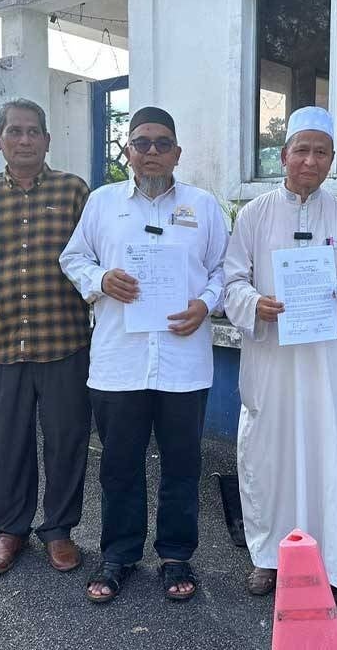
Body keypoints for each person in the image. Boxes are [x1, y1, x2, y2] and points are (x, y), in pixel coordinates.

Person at [60, 106, 228, 603]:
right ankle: (119, 555)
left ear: (178, 151)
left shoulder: (204, 205)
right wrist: (99, 280)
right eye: (141, 143)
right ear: (127, 152)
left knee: (181, 465)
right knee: (119, 465)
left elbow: (223, 269)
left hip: (183, 362)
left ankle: (176, 555)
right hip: (119, 363)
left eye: (162, 143)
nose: (152, 151)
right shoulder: (103, 203)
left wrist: (206, 304)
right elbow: (74, 257)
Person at [223, 106, 337, 594]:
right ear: (283, 155)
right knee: (268, 458)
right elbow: (231, 280)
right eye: (301, 150)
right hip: (272, 365)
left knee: (329, 456)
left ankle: (332, 560)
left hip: (327, 368)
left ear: (332, 159)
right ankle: (269, 556)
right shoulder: (254, 215)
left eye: (321, 152)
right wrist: (255, 303)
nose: (310, 161)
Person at [0, 98, 93, 577]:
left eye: (33, 132)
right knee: (5, 444)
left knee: (67, 441)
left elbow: (94, 260)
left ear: (47, 140)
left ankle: (60, 530)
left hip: (65, 343)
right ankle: (9, 530)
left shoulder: (74, 192)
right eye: (15, 131)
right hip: (4, 346)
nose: (24, 140)